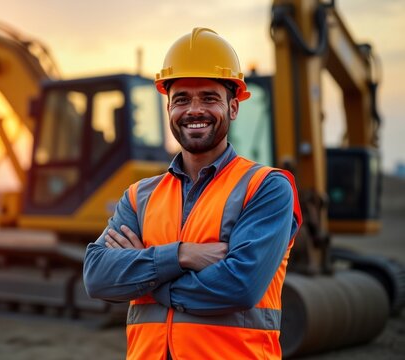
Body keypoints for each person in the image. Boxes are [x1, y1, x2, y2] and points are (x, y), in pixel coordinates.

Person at [83, 27, 302, 360]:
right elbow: (97, 277)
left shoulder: (266, 187)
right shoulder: (139, 197)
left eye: (209, 98)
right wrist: (182, 256)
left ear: (233, 107)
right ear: (169, 108)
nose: (194, 110)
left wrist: (146, 277)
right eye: (181, 99)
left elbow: (239, 287)